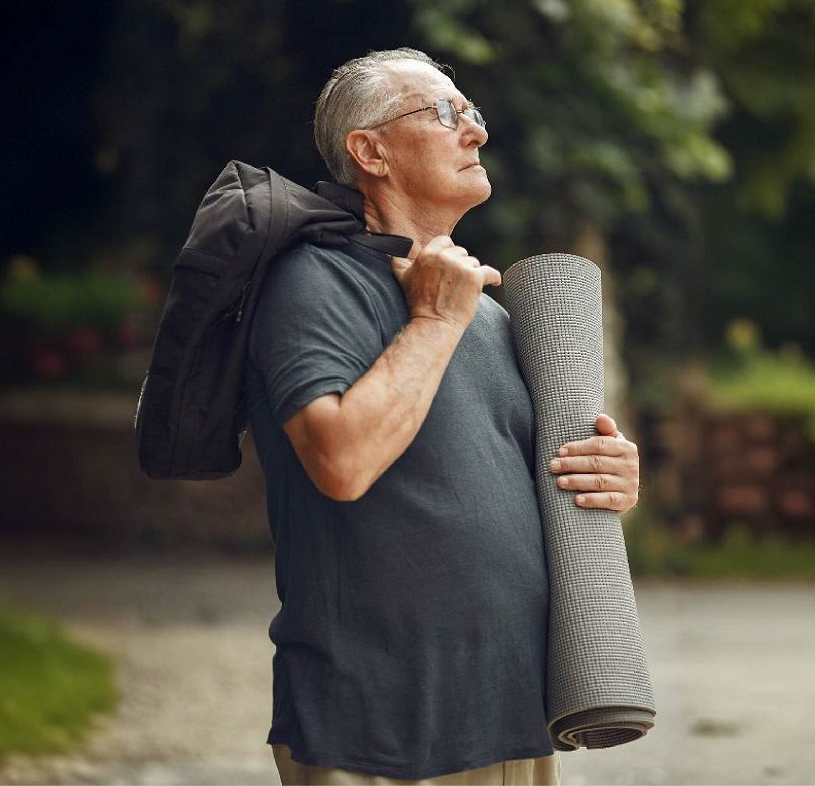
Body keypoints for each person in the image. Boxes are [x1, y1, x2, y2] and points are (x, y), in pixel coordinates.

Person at [245, 47, 640, 785]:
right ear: (371, 152)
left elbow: (512, 483)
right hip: (372, 722)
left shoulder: (489, 315)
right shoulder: (312, 280)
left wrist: (609, 475)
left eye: (473, 113)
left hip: (511, 716)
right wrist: (434, 321)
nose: (476, 131)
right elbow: (340, 462)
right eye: (444, 113)